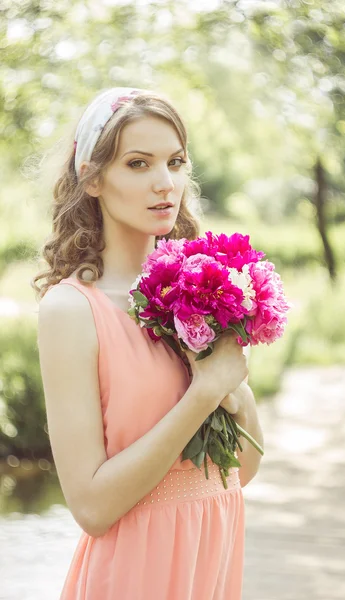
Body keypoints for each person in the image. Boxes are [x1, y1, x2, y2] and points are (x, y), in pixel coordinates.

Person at [33, 87, 263, 600]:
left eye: (176, 162)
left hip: (213, 553)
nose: (166, 183)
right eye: (138, 164)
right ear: (92, 178)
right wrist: (204, 392)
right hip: (135, 572)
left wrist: (233, 386)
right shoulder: (72, 311)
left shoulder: (202, 292)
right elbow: (91, 509)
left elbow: (240, 471)